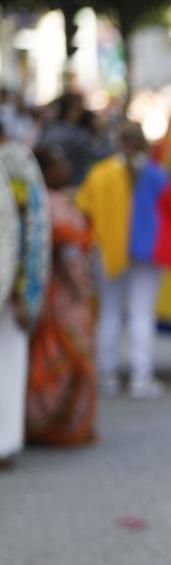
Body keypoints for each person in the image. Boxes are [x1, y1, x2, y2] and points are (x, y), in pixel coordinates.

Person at [76, 122, 171, 400]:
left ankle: (106, 377)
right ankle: (140, 378)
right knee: (141, 313)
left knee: (109, 312)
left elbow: (83, 209)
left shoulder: (100, 174)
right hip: (147, 253)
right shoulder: (158, 174)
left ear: (118, 142)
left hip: (108, 252)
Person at [24, 145, 97, 445]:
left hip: (50, 294)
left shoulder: (41, 201)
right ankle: (64, 426)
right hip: (64, 297)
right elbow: (70, 257)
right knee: (68, 358)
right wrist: (83, 292)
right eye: (58, 164)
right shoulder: (55, 205)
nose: (65, 168)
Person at [0, 125, 49, 465]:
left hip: (8, 288)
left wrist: (21, 291)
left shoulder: (15, 165)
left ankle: (5, 444)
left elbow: (25, 231)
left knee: (9, 364)